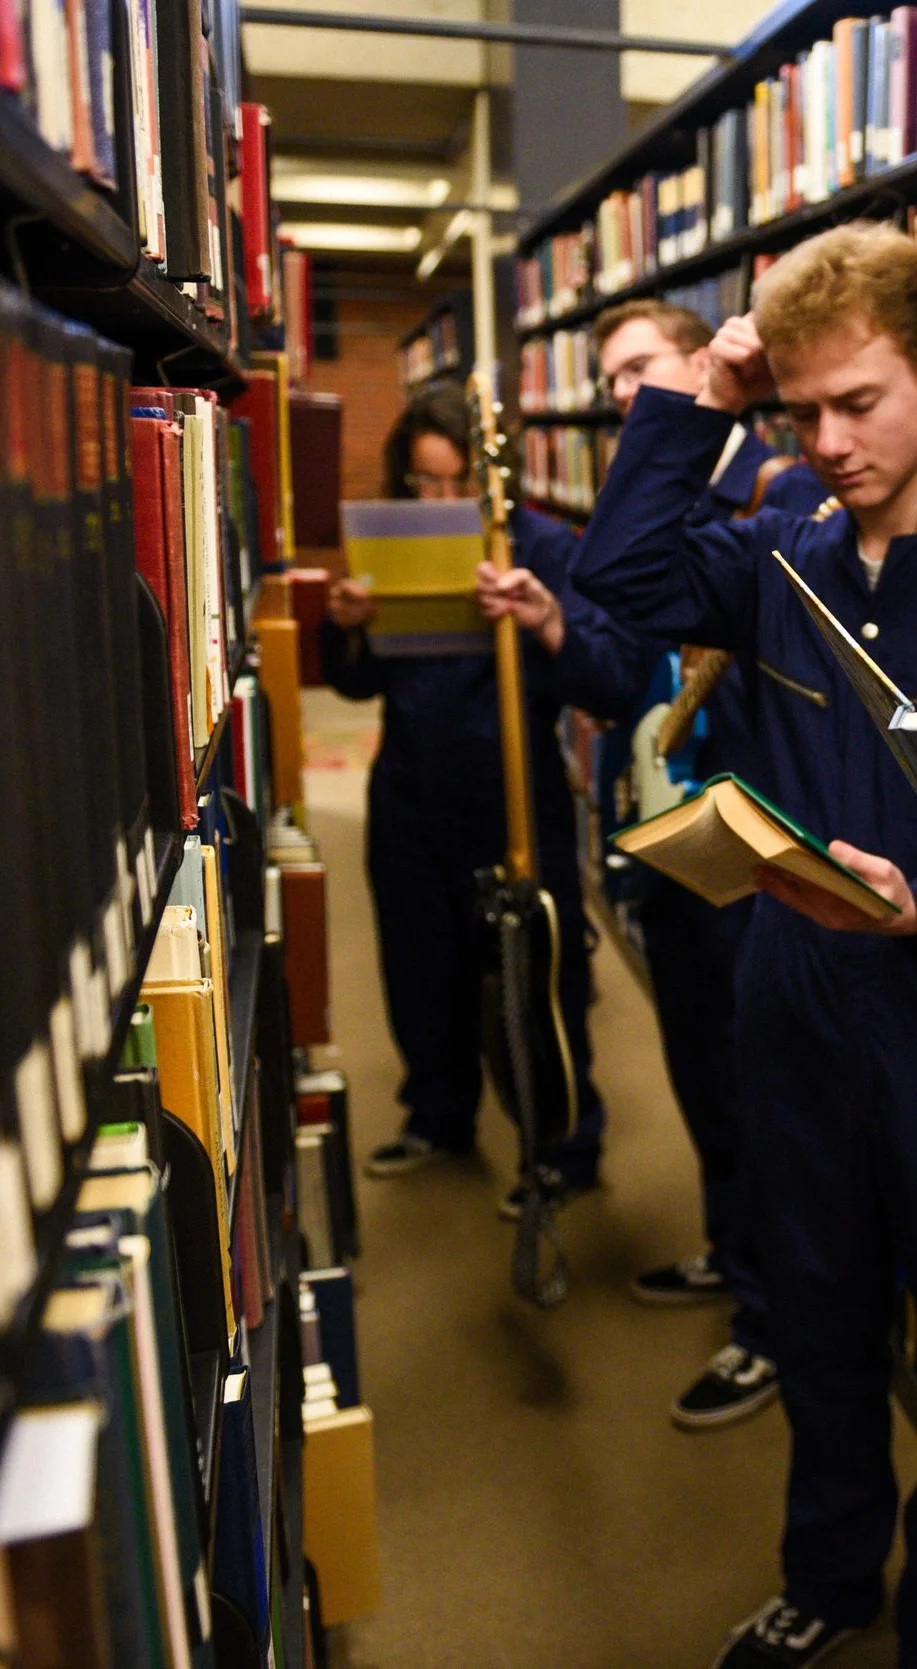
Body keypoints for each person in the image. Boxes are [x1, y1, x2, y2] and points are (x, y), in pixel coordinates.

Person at [571, 225, 917, 1669]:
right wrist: (709, 381)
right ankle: (827, 1574)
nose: (827, 440)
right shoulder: (772, 560)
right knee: (817, 1323)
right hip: (796, 1014)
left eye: (859, 402)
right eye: (801, 410)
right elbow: (622, 575)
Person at [589, 299, 824, 1433]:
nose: (627, 397)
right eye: (612, 383)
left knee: (758, 1096)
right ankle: (735, 1255)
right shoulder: (662, 476)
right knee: (700, 1076)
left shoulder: (777, 500)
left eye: (642, 370)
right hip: (678, 839)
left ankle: (768, 1317)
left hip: (762, 852)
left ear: (700, 361)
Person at [335, 383, 655, 1212]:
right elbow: (358, 678)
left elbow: (604, 676)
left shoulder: (540, 545)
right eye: (422, 485)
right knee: (419, 965)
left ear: (492, 481)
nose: (437, 503)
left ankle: (563, 1145)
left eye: (455, 486)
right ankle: (438, 1115)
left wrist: (540, 616)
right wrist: (354, 623)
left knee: (533, 976)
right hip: (409, 786)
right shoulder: (393, 541)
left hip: (513, 790)